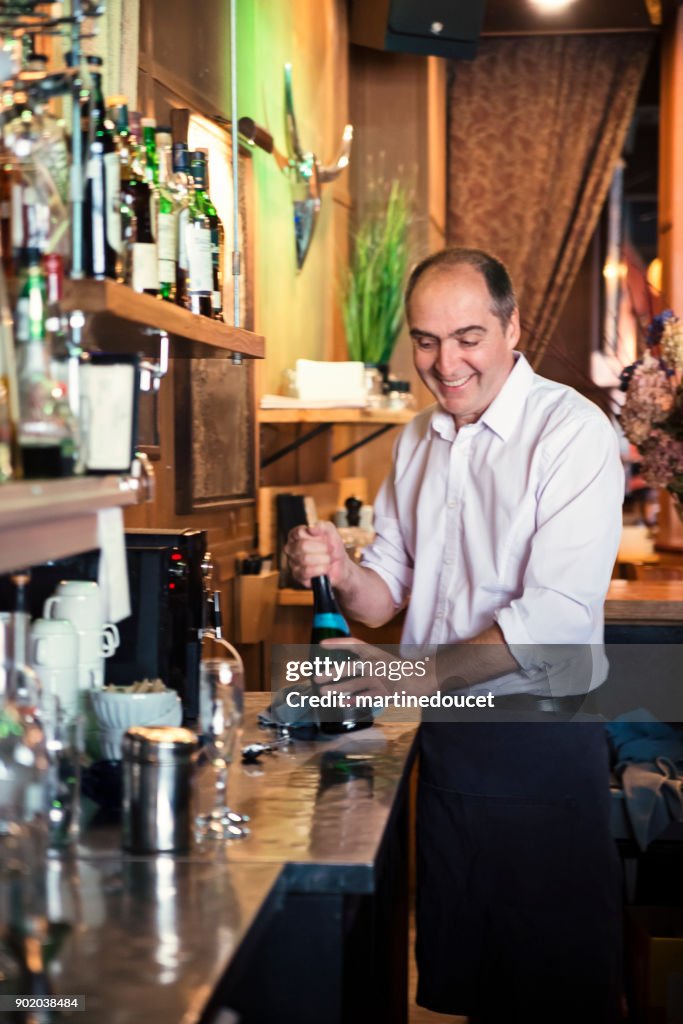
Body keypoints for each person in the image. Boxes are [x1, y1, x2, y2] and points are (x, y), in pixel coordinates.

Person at [285, 248, 625, 1023]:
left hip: (537, 747)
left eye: (468, 335)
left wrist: (404, 680)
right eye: (426, 340)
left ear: (512, 326)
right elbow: (384, 597)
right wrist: (339, 567)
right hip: (442, 743)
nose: (446, 362)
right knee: (465, 989)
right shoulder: (416, 439)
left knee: (556, 992)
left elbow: (555, 623)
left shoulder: (571, 432)